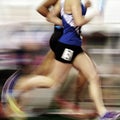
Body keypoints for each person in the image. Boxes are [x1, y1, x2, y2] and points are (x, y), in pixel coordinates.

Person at [45, 0, 120, 119]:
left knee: (93, 76)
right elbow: (77, 21)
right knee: (52, 81)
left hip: (74, 45)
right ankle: (18, 87)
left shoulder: (75, 2)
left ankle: (103, 113)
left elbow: (70, 18)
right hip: (67, 45)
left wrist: (84, 8)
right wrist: (93, 14)